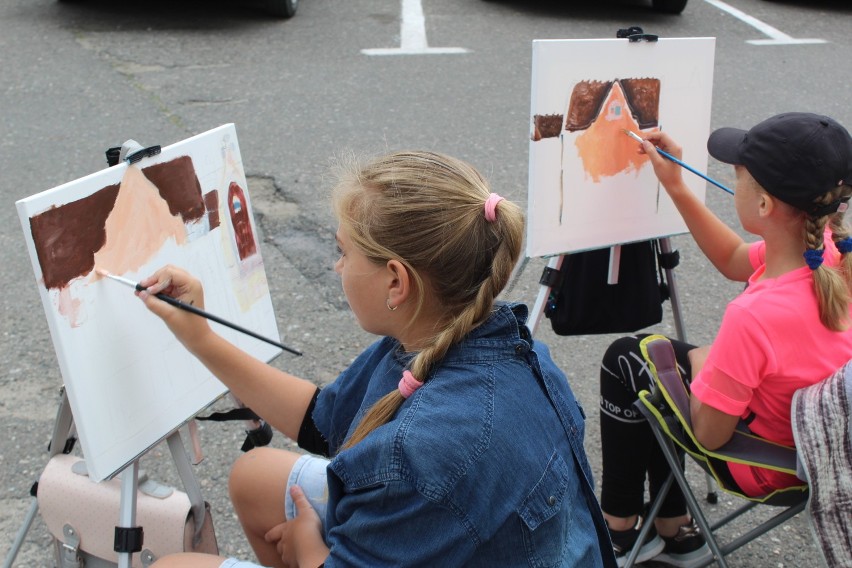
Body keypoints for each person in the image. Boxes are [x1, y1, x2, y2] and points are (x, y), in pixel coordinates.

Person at [141, 150, 617, 567]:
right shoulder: (453, 336)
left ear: (396, 281)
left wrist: (311, 551)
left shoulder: (422, 453)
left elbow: (414, 465)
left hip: (439, 503)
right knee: (255, 475)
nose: (337, 266)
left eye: (343, 252)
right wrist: (201, 337)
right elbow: (321, 421)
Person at [598, 112, 852, 567]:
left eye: (738, 177)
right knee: (655, 360)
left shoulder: (753, 316)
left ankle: (619, 529)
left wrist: (702, 358)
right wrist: (676, 185)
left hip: (767, 465)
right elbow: (736, 258)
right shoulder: (831, 254)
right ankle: (673, 528)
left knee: (626, 359)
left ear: (763, 207)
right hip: (823, 450)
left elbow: (711, 434)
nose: (732, 184)